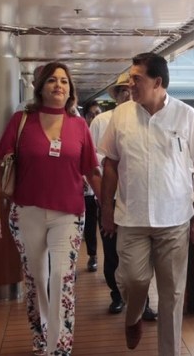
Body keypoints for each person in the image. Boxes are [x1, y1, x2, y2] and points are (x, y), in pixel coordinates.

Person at [98, 52, 194, 355]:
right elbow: (110, 165)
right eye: (130, 78)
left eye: (137, 78)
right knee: (133, 280)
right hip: (131, 217)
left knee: (172, 295)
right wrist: (106, 209)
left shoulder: (186, 115)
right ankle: (134, 314)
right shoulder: (121, 115)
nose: (130, 84)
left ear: (157, 82)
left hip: (174, 220)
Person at [0, 62, 101, 356]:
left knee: (61, 278)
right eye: (52, 80)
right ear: (40, 88)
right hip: (27, 212)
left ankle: (58, 348)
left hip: (69, 214)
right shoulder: (21, 120)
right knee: (37, 279)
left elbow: (91, 171)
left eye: (64, 81)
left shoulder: (79, 126)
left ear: (70, 90)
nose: (58, 85)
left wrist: (111, 212)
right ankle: (41, 337)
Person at [89, 73, 157, 319]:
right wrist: (103, 200)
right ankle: (116, 295)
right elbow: (93, 161)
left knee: (141, 257)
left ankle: (142, 302)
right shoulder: (102, 121)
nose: (128, 93)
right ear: (116, 96)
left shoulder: (148, 119)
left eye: (132, 88)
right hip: (110, 197)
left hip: (138, 200)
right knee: (111, 251)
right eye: (123, 90)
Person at [82, 100, 103, 272]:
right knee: (78, 225)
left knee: (92, 224)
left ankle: (94, 256)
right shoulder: (80, 133)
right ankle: (74, 260)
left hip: (97, 188)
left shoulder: (105, 133)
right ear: (85, 117)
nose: (94, 117)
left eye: (97, 114)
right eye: (91, 115)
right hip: (80, 188)